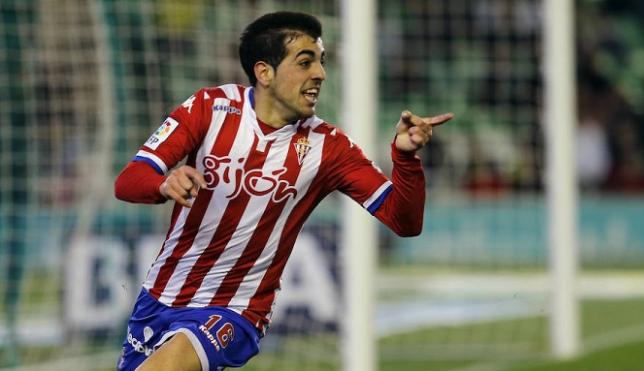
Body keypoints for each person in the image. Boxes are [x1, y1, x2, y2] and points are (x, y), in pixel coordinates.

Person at [114, 11, 453, 371]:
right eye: (305, 62)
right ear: (265, 72)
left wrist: (405, 158)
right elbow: (129, 180)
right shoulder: (209, 107)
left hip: (236, 309)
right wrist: (163, 183)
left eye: (321, 62)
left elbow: (404, 220)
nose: (320, 74)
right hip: (159, 296)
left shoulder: (330, 147)